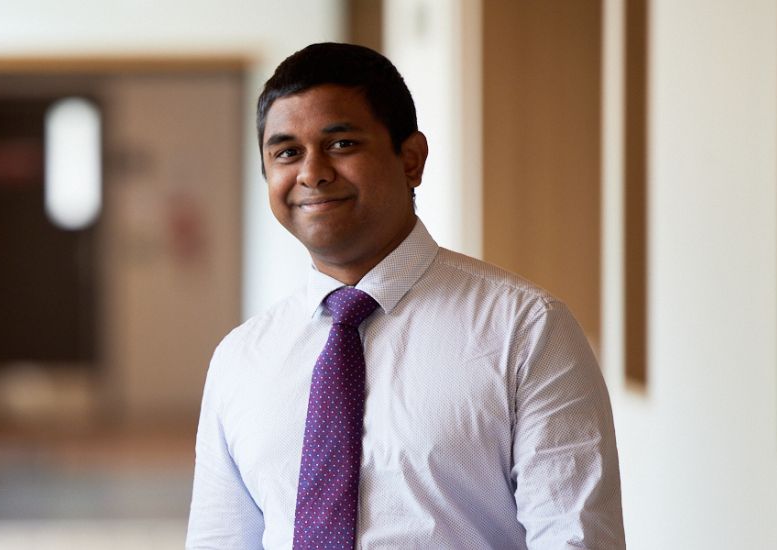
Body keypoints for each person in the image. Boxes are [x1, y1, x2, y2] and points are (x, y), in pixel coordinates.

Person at [186, 43, 623, 549]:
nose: (312, 173)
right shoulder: (242, 358)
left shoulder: (525, 330)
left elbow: (575, 538)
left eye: (342, 144)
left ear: (411, 159)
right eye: (286, 152)